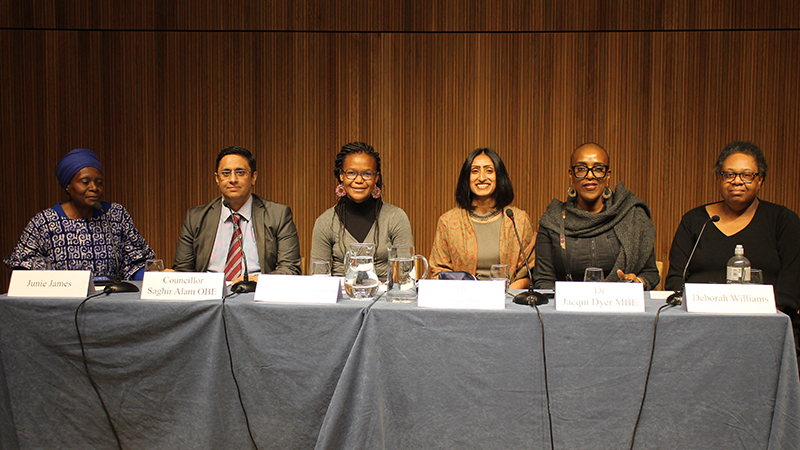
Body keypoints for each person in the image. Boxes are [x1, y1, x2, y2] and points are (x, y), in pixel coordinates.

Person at [666, 141, 800, 311]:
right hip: (698, 318)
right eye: (729, 175)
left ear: (760, 180)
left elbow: (790, 288)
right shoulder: (696, 220)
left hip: (765, 320)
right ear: (718, 178)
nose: (737, 181)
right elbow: (675, 280)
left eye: (747, 175)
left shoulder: (782, 220)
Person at [4, 148, 154, 280]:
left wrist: (150, 277)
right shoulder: (44, 222)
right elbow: (21, 269)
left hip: (110, 301)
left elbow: (137, 261)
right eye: (85, 182)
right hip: (62, 304)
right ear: (68, 186)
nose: (94, 188)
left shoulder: (116, 215)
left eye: (99, 182)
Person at [533, 142, 659, 290]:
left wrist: (636, 282)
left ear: (608, 175)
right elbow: (543, 281)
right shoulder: (553, 221)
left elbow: (650, 273)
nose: (590, 176)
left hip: (620, 306)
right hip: (568, 308)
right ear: (571, 174)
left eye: (598, 169)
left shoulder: (632, 215)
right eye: (581, 169)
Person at [173, 146, 301, 279]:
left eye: (240, 172)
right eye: (226, 173)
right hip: (210, 294)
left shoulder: (278, 215)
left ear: (253, 177)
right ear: (217, 178)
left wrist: (256, 281)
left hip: (255, 293)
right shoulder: (195, 218)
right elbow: (183, 271)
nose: (233, 179)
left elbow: (290, 268)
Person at [428, 148, 535, 289]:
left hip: (507, 301)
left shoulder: (518, 220)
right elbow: (438, 271)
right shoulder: (448, 221)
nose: (482, 177)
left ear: (499, 176)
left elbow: (527, 273)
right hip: (462, 301)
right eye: (475, 171)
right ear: (467, 178)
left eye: (489, 171)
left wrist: (504, 296)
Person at [310, 142, 413, 278]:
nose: (359, 180)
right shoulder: (325, 222)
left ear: (376, 177)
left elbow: (406, 274)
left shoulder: (395, 217)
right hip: (341, 296)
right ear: (341, 176)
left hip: (385, 296)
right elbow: (318, 277)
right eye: (351, 173)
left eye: (367, 174)